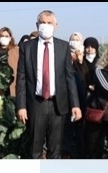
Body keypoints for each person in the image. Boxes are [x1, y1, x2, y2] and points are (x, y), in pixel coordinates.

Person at [16, 10, 82, 159]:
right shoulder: (27, 47)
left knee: (55, 149)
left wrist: (75, 105)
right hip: (36, 103)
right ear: (37, 25)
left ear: (56, 26)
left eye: (49, 23)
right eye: (42, 23)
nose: (46, 26)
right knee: (34, 149)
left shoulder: (63, 47)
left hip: (58, 105)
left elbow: (69, 77)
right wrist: (21, 106)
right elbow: (21, 78)